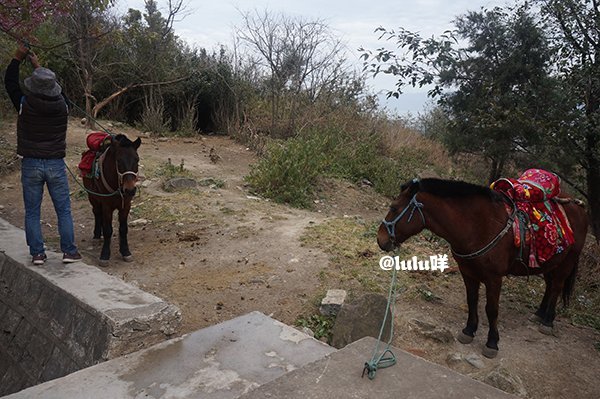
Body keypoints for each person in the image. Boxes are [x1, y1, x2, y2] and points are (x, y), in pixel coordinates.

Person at [4, 43, 82, 265]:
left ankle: (37, 253)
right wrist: (38, 66)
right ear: (53, 87)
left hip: (31, 164)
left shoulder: (24, 103)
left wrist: (17, 59)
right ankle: (69, 252)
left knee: (32, 211)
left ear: (33, 87)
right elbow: (61, 92)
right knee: (63, 210)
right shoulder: (63, 106)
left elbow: (10, 82)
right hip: (56, 164)